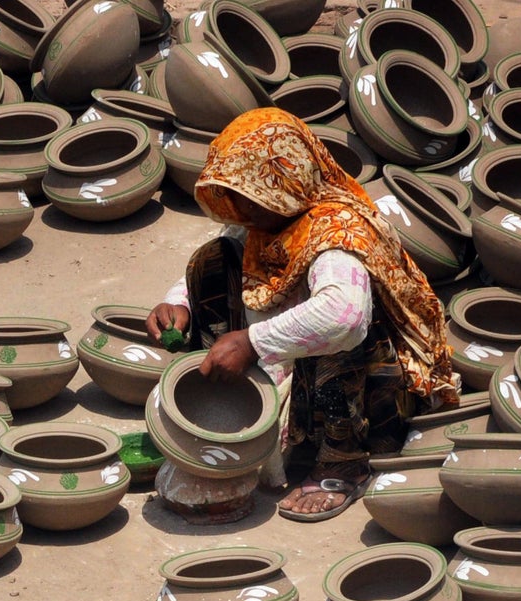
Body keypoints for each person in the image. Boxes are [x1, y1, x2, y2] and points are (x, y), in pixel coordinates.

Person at [147, 107, 461, 522]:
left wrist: (252, 343)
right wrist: (179, 304)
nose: (240, 204)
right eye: (236, 192)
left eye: (252, 192)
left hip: (374, 391)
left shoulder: (337, 231)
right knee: (213, 259)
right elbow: (230, 262)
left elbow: (344, 318)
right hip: (296, 371)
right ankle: (216, 415)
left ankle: (342, 460)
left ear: (285, 180)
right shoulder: (268, 216)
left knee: (336, 325)